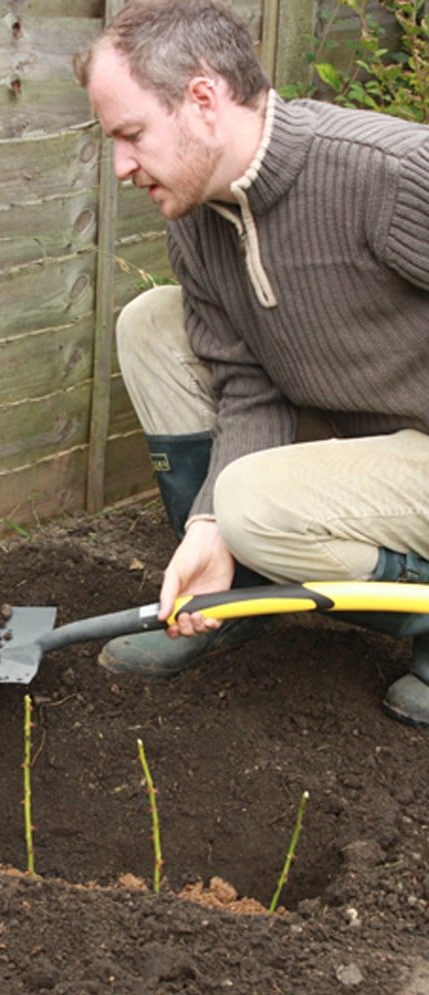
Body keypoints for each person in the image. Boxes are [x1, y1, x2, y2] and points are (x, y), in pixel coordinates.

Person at [73, 0, 429, 725]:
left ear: (203, 97)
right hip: (355, 434)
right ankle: (231, 594)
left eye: (131, 134)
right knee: (152, 326)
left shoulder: (387, 173)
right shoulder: (201, 224)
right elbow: (247, 387)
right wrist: (207, 528)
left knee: (254, 501)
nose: (120, 167)